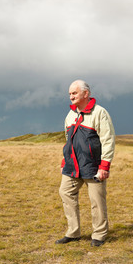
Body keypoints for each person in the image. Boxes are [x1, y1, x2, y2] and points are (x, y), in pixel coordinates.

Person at [55, 80, 116, 247]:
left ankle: (99, 234)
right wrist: (64, 160)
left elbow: (108, 140)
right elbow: (68, 140)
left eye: (74, 93)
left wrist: (104, 166)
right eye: (70, 94)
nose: (71, 96)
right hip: (72, 165)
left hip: (93, 166)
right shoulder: (70, 115)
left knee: (97, 200)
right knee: (65, 192)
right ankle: (73, 232)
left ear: (85, 94)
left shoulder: (100, 113)